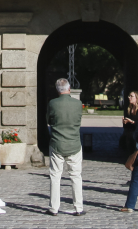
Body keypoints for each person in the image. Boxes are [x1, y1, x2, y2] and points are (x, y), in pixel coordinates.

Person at [46, 78, 84, 216]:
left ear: (57, 90)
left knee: (55, 176)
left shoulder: (52, 103)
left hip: (57, 143)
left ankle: (54, 208)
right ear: (69, 89)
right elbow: (78, 120)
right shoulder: (78, 103)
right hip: (74, 143)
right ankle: (78, 207)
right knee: (76, 176)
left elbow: (48, 120)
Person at [121, 91, 138, 156]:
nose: (129, 97)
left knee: (136, 154)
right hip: (129, 135)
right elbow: (126, 126)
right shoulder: (129, 108)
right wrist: (124, 122)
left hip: (137, 135)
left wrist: (131, 121)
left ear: (137, 98)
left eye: (131, 96)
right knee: (130, 153)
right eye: (129, 96)